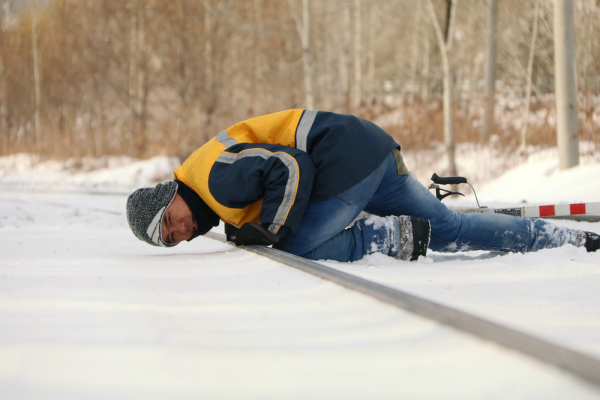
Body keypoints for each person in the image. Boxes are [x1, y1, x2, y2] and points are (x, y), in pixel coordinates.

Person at [126, 109, 600, 262]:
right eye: (171, 238)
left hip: (344, 162)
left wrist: (270, 227)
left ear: (168, 197)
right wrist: (250, 226)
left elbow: (290, 169)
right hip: (371, 151)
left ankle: (382, 236)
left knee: (293, 245)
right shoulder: (210, 192)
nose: (181, 231)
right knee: (452, 229)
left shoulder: (211, 176)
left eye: (169, 220)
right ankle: (568, 241)